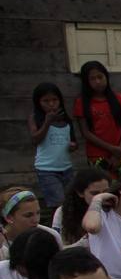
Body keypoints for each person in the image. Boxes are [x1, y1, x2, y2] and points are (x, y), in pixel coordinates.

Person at [72, 60, 121, 177]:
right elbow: (86, 133)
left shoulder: (119, 98)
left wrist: (117, 152)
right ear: (86, 82)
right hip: (97, 156)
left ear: (106, 76)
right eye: (92, 79)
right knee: (103, 190)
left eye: (100, 77)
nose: (98, 82)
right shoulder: (81, 103)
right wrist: (111, 149)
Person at [27, 82, 77, 213]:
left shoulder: (66, 120)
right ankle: (57, 229)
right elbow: (35, 139)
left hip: (66, 168)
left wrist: (73, 146)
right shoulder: (35, 118)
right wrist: (47, 121)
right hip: (46, 169)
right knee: (58, 203)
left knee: (71, 201)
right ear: (38, 102)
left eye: (54, 100)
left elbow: (73, 142)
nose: (51, 104)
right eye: (46, 101)